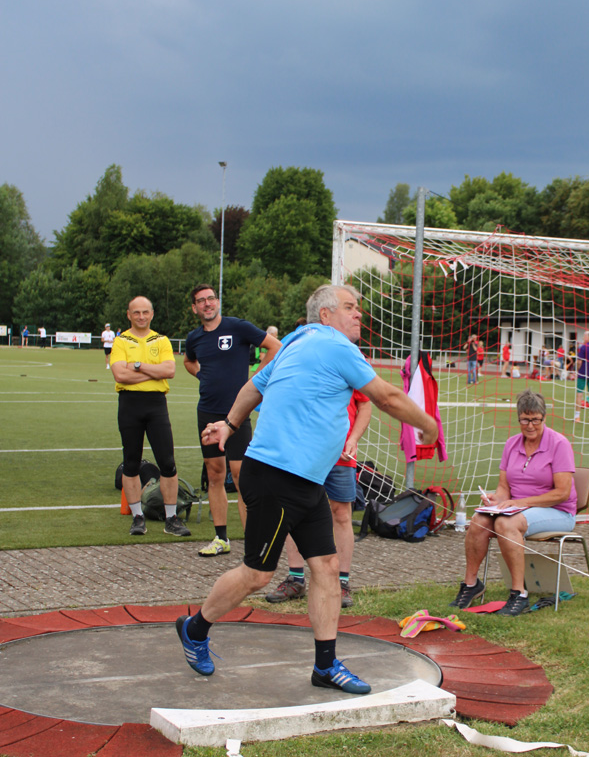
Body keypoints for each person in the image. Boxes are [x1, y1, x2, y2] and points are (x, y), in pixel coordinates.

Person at [175, 283, 437, 695]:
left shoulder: (295, 342)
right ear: (326, 315)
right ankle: (194, 629)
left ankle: (325, 666)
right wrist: (428, 425)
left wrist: (229, 423)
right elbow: (386, 397)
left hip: (306, 479)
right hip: (277, 475)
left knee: (327, 567)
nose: (359, 314)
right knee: (258, 574)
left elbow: (253, 387)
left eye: (358, 308)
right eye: (350, 307)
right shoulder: (331, 343)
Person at [449, 390, 577, 617]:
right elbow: (504, 488)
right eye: (525, 420)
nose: (530, 426)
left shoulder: (559, 444)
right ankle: (471, 585)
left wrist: (519, 502)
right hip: (518, 509)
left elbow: (562, 493)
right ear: (518, 419)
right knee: (479, 520)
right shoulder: (511, 444)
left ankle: (519, 593)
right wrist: (495, 499)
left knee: (505, 524)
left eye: (535, 420)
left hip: (557, 511)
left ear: (544, 418)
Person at [183, 284, 281, 556]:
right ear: (194, 308)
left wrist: (256, 378)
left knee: (241, 477)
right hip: (207, 412)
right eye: (201, 301)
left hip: (236, 413)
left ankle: (252, 542)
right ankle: (221, 538)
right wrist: (201, 374)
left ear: (217, 302)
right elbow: (188, 362)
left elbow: (275, 347)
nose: (207, 304)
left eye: (210, 299)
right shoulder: (194, 338)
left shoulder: (237, 327)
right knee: (215, 474)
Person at [267, 389, 372, 608]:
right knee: (294, 511)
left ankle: (341, 582)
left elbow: (364, 404)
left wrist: (353, 439)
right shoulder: (300, 365)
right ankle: (296, 578)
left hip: (341, 454)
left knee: (341, 514)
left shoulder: (351, 366)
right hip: (303, 451)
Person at [109, 296, 190, 538]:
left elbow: (170, 370)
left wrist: (137, 366)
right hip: (129, 404)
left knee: (167, 463)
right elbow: (119, 375)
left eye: (145, 312)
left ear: (152, 314)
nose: (141, 316)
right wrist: (154, 372)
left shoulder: (161, 340)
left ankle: (171, 518)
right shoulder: (121, 340)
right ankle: (137, 517)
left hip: (156, 405)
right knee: (131, 462)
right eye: (136, 312)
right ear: (129, 315)